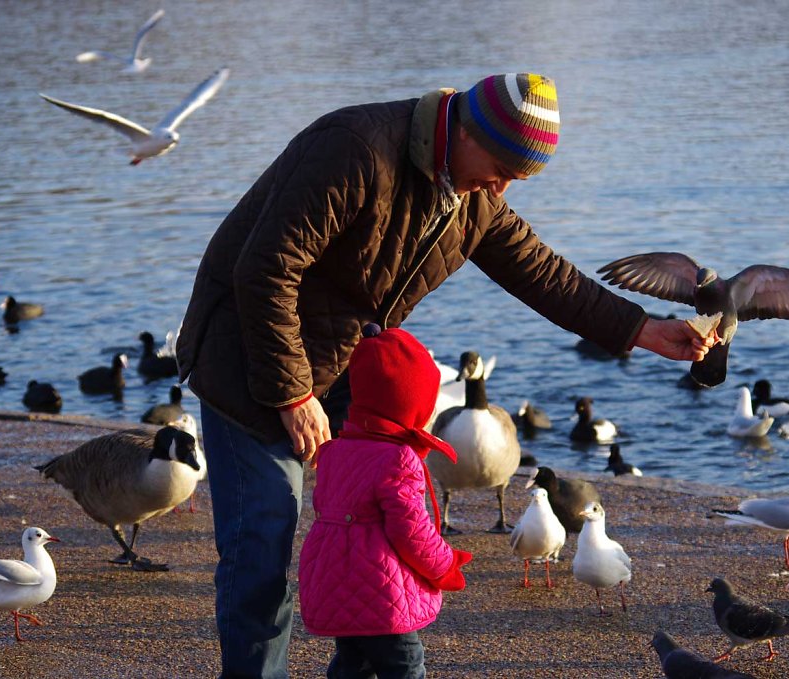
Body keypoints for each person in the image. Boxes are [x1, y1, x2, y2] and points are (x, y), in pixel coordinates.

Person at [176, 72, 715, 678]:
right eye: (502, 167)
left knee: (370, 537)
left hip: (342, 363)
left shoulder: (471, 190)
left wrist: (643, 330)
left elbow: (543, 274)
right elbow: (266, 269)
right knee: (260, 555)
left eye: (518, 176)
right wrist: (292, 392)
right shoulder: (354, 147)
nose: (503, 186)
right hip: (249, 359)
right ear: (463, 127)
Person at [298, 323, 471, 677]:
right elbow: (411, 531)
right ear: (413, 404)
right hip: (381, 591)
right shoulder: (399, 458)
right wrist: (444, 565)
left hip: (334, 579)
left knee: (353, 663)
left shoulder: (335, 449)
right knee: (404, 665)